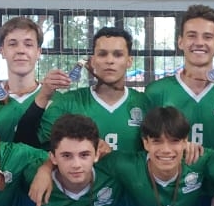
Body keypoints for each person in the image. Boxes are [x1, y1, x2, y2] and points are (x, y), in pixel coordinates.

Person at [16, 27, 147, 155]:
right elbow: (26, 145)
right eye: (102, 54)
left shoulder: (144, 103)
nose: (109, 60)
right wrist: (44, 95)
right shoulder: (67, 102)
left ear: (129, 61)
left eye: (118, 55)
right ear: (93, 61)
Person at [143, 5, 214, 150]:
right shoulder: (156, 91)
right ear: (180, 42)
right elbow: (146, 144)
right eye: (191, 36)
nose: (199, 43)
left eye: (207, 37)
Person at [0, 15, 73, 142]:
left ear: (38, 52)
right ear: (2, 51)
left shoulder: (57, 100)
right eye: (12, 44)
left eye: (28, 44)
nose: (20, 50)